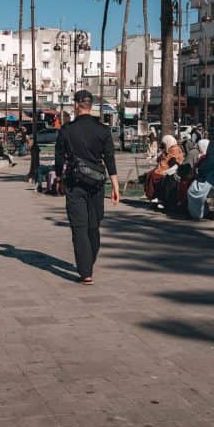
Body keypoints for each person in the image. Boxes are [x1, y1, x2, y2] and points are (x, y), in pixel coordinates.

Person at [54, 90, 119, 285]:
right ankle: (88, 261)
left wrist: (59, 178)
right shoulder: (103, 130)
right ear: (91, 106)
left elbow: (59, 159)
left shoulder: (66, 130)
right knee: (93, 226)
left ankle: (85, 271)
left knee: (79, 228)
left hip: (74, 184)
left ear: (75, 105)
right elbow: (109, 159)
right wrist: (115, 187)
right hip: (97, 184)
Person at [186, 139, 214, 220]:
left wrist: (199, 162)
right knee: (193, 186)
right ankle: (201, 211)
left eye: (199, 148)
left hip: (213, 180)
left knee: (192, 191)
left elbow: (203, 170)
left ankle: (198, 214)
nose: (199, 149)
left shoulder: (211, 157)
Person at [145, 134, 184, 205]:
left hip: (171, 171)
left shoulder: (174, 149)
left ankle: (155, 196)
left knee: (154, 175)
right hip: (165, 169)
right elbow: (160, 159)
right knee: (150, 174)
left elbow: (168, 161)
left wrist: (162, 158)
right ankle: (153, 196)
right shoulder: (169, 148)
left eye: (165, 143)